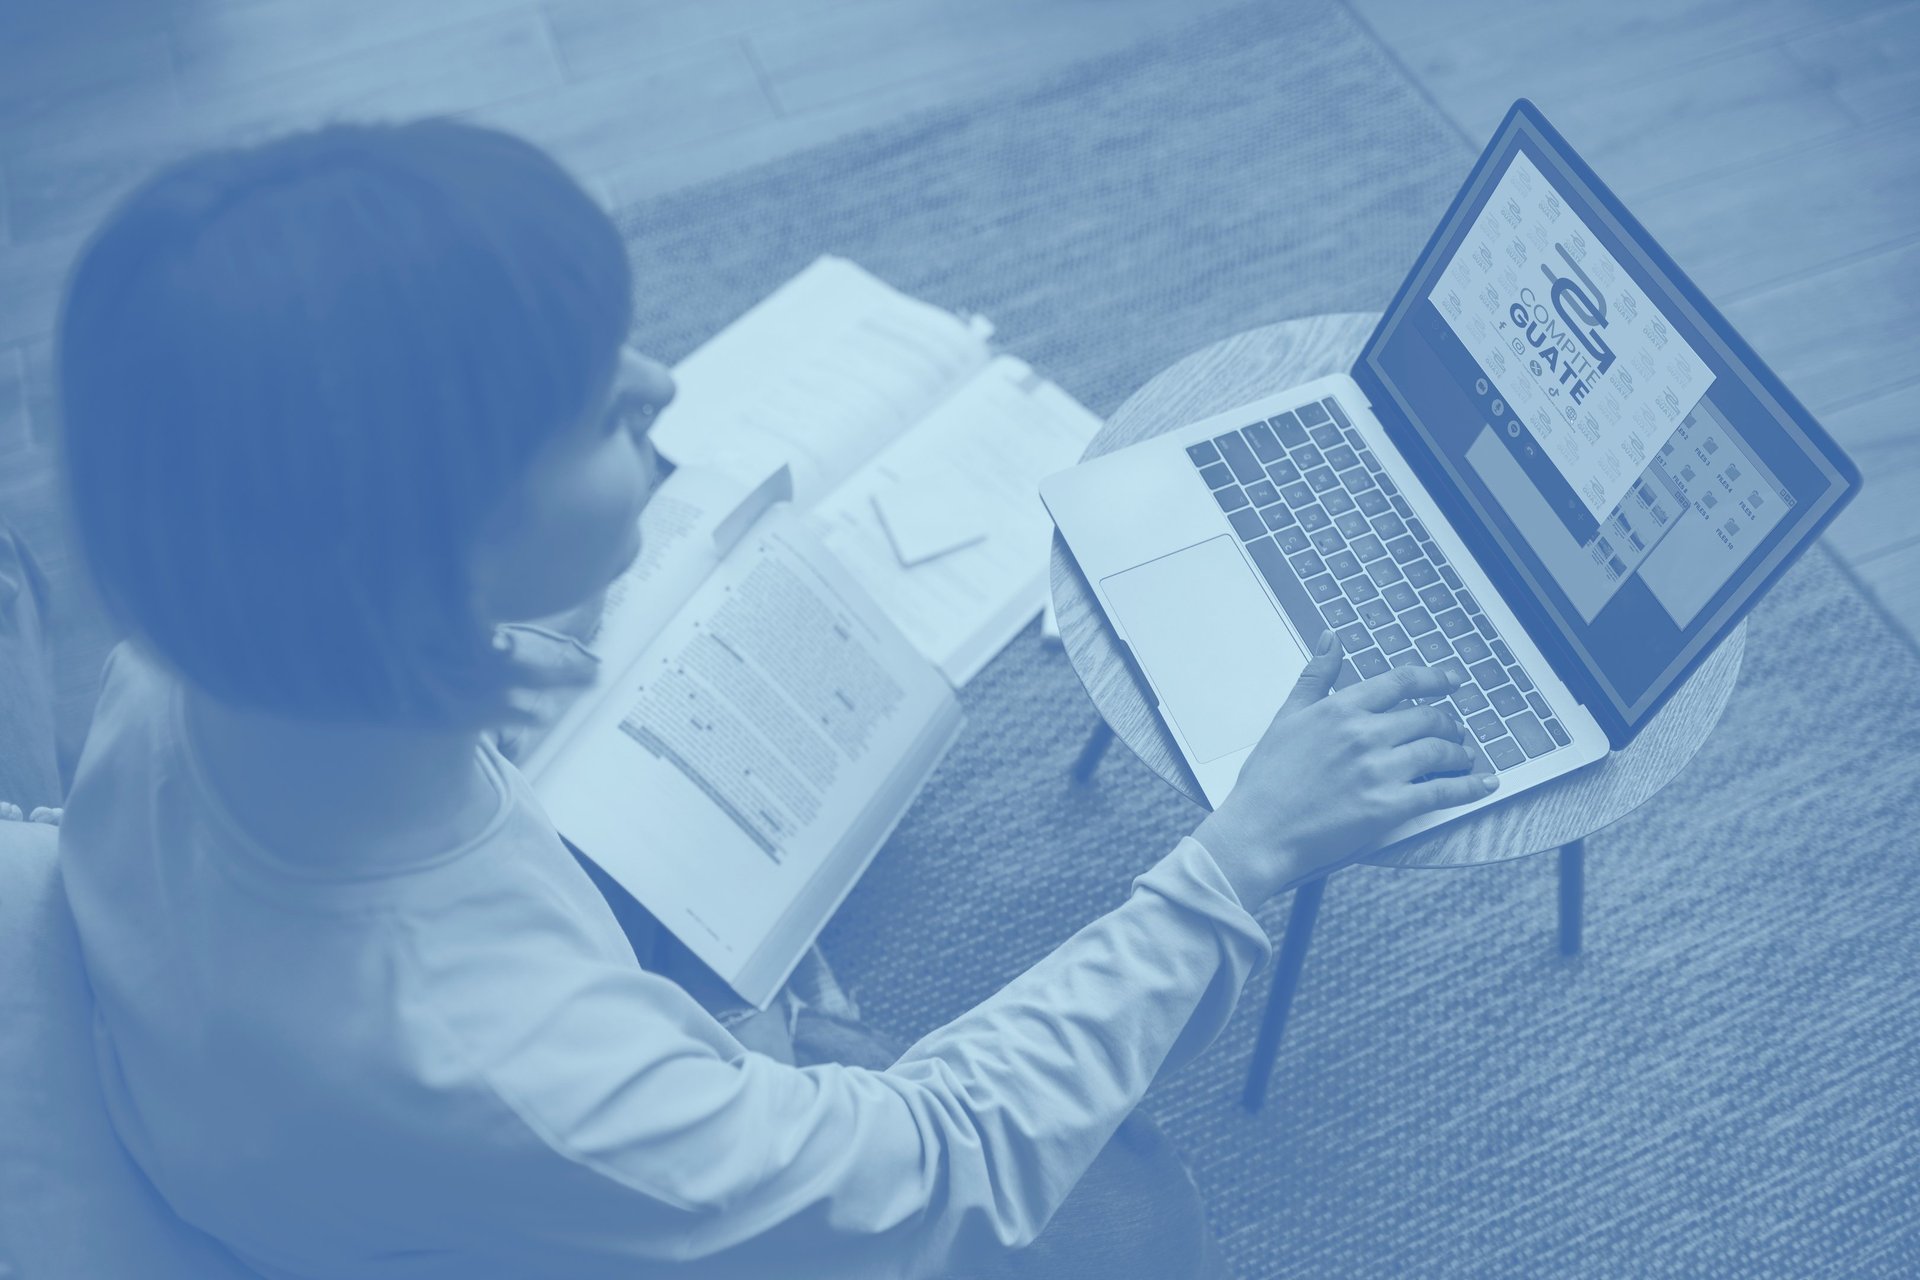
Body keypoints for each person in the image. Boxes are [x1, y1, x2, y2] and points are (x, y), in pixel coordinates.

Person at [46, 119, 1495, 1279]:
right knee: (1127, 1218)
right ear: (420, 560)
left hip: (317, 1116)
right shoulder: (511, 1066)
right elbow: (942, 1164)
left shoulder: (190, 649)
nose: (659, 385)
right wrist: (1238, 860)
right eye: (594, 410)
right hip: (462, 1175)